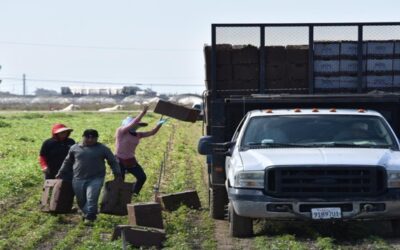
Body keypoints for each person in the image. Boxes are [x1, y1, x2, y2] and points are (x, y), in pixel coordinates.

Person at [56, 129, 122, 224]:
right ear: (83, 137)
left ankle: (90, 217)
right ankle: (88, 212)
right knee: (81, 200)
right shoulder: (75, 148)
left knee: (92, 197)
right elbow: (67, 161)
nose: (90, 140)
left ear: (97, 138)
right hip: (78, 178)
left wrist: (117, 173)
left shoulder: (103, 148)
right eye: (88, 137)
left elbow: (112, 161)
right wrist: (61, 172)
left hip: (96, 178)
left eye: (93, 138)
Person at [115, 106, 167, 196]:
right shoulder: (121, 132)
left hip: (130, 160)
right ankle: (118, 198)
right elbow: (134, 122)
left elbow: (152, 132)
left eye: (137, 125)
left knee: (142, 177)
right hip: (119, 160)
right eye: (133, 124)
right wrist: (143, 112)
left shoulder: (138, 135)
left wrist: (160, 123)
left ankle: (134, 193)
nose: (135, 126)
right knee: (120, 180)